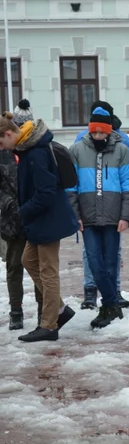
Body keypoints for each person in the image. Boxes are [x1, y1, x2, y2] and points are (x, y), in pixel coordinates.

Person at [0, 113, 78, 342]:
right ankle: (60, 310)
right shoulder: (27, 149)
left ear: (8, 134)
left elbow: (46, 192)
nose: (2, 148)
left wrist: (22, 211)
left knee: (48, 271)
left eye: (1, 143)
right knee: (28, 260)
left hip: (47, 220)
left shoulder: (35, 152)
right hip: (38, 220)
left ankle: (49, 325)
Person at [67, 108, 129, 329]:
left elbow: (128, 185)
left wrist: (126, 215)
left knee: (111, 262)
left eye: (102, 133)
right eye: (94, 132)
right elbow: (71, 187)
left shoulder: (121, 150)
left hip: (112, 217)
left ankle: (108, 306)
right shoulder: (77, 150)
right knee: (95, 262)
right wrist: (75, 216)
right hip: (87, 218)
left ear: (108, 131)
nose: (98, 137)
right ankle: (113, 304)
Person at [0, 107, 40, 331]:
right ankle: (16, 310)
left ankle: (44, 308)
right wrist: (8, 203)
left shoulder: (30, 150)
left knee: (38, 266)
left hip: (33, 216)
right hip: (11, 220)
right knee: (14, 266)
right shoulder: (2, 151)